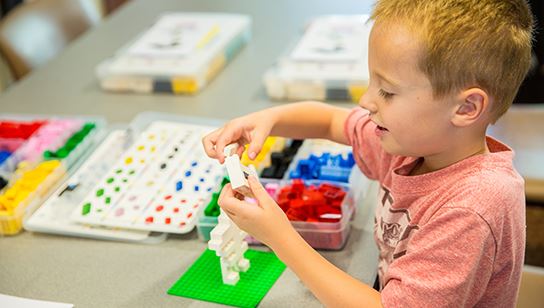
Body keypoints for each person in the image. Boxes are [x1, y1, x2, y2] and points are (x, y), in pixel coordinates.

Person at [202, 0, 533, 306]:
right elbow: (332, 121)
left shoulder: (471, 210)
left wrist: (278, 236)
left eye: (387, 91)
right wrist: (267, 119)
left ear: (466, 108)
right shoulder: (412, 143)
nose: (366, 101)